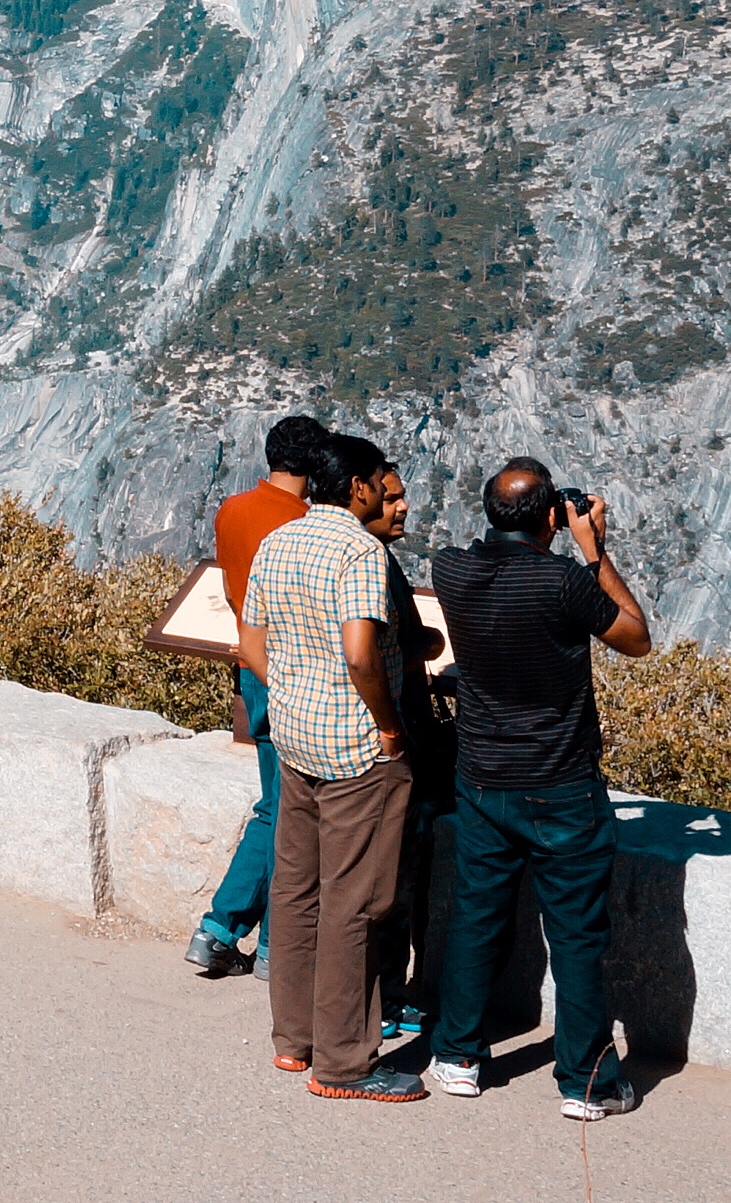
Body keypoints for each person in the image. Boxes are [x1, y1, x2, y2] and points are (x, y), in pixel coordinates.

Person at [426, 459, 652, 1120]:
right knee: (577, 933)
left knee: (477, 914)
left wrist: (548, 527)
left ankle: (459, 1056)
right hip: (560, 785)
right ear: (552, 515)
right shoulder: (563, 582)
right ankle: (585, 1082)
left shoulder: (451, 569)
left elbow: (484, 556)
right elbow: (634, 637)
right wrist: (595, 551)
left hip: (481, 779)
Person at [239, 435, 422, 1100]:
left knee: (295, 889)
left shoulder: (279, 540)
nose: (384, 492)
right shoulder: (359, 551)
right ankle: (344, 1064)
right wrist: (389, 724)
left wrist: (289, 690)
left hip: (295, 740)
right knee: (355, 903)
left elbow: (249, 642)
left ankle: (294, 1041)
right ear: (359, 486)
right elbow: (360, 652)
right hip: (355, 751)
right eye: (380, 481)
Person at [188, 411, 327, 979]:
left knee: (278, 805)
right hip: (297, 669)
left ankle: (236, 934)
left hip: (251, 663)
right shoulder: (307, 524)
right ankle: (243, 933)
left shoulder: (233, 510)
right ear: (316, 466)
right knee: (287, 811)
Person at [341, 436, 451, 1049]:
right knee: (395, 879)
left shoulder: (363, 554)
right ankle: (389, 997)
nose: (404, 507)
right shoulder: (371, 562)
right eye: (393, 497)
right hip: (392, 734)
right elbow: (372, 652)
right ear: (364, 497)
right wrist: (428, 645)